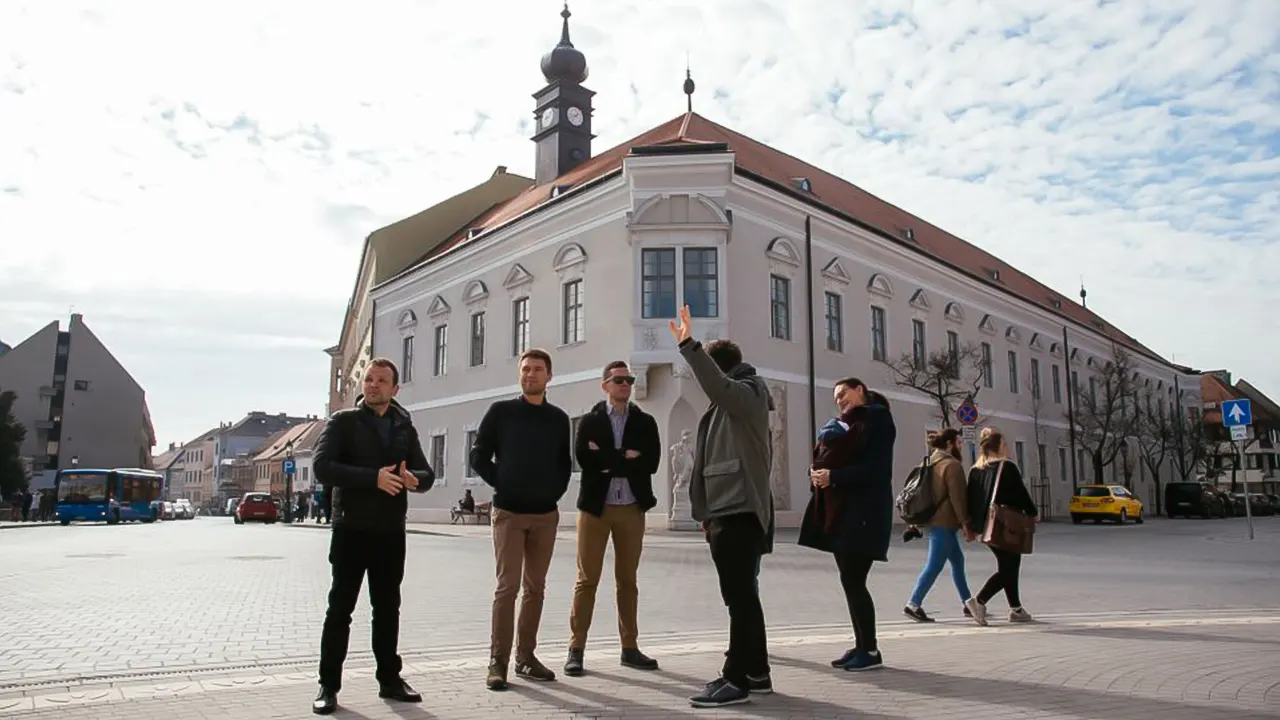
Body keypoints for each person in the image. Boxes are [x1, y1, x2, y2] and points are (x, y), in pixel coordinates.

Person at [311, 357, 436, 715]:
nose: (373, 385)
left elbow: (425, 472)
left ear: (394, 389)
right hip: (351, 527)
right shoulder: (343, 422)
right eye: (368, 379)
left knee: (387, 608)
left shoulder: (403, 425)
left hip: (390, 531)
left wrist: (415, 479)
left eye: (381, 380)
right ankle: (328, 685)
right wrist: (373, 478)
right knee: (340, 610)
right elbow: (323, 468)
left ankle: (390, 680)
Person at [668, 306, 775, 709]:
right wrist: (706, 512)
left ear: (720, 369)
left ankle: (736, 681)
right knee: (745, 595)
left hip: (739, 512)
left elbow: (716, 386)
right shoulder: (730, 403)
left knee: (740, 598)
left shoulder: (747, 392)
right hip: (725, 512)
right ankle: (757, 673)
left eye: (707, 370)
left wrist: (688, 347)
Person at [470, 348, 573, 691]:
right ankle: (497, 661)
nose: (531, 374)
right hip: (510, 513)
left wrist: (553, 492)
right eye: (526, 369)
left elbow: (563, 464)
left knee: (536, 589)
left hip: (545, 514)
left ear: (549, 376)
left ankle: (526, 658)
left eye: (538, 370)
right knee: (507, 587)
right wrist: (503, 481)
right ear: (520, 374)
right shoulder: (501, 412)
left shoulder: (558, 418)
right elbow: (479, 455)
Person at [565, 360, 662, 677]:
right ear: (605, 384)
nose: (625, 384)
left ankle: (629, 648)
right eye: (619, 379)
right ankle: (576, 649)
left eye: (629, 380)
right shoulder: (589, 422)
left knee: (628, 581)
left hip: (631, 507)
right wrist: (624, 456)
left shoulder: (645, 422)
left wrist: (606, 458)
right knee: (586, 580)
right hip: (596, 508)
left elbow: (652, 462)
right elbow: (583, 459)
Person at [797, 378, 895, 672]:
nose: (840, 400)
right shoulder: (845, 425)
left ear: (860, 390)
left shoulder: (877, 420)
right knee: (850, 581)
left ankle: (871, 650)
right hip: (845, 512)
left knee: (854, 581)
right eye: (836, 397)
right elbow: (834, 458)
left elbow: (877, 470)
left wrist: (834, 477)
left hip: (865, 513)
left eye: (844, 394)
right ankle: (862, 645)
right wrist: (819, 471)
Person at [902, 429, 987, 626]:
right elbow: (958, 498)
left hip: (933, 519)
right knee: (935, 565)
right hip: (945, 521)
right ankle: (913, 603)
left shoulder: (928, 461)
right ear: (949, 443)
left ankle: (968, 603)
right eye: (958, 442)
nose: (961, 446)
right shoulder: (952, 465)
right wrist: (966, 523)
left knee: (957, 560)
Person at [967, 427, 1038, 623]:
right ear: (999, 446)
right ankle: (979, 600)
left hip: (987, 528)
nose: (1006, 447)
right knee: (1008, 568)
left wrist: (973, 526)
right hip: (1006, 525)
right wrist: (1033, 513)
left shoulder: (975, 470)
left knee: (1009, 565)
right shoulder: (1007, 467)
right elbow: (1020, 493)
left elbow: (971, 500)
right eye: (1004, 444)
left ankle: (1016, 609)